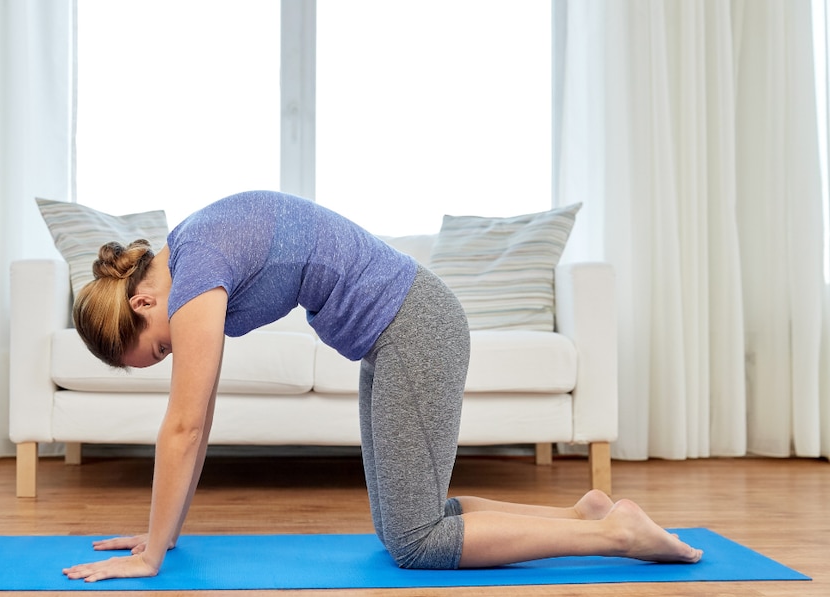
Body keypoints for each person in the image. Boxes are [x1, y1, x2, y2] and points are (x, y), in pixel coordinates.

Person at [62, 190, 702, 582]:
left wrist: (148, 560)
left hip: (414, 329)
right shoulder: (197, 250)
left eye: (161, 347)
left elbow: (185, 423)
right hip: (398, 334)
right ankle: (582, 514)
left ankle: (615, 536)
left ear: (145, 302)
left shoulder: (197, 270)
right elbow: (196, 421)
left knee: (417, 542)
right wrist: (163, 532)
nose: (175, 348)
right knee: (407, 524)